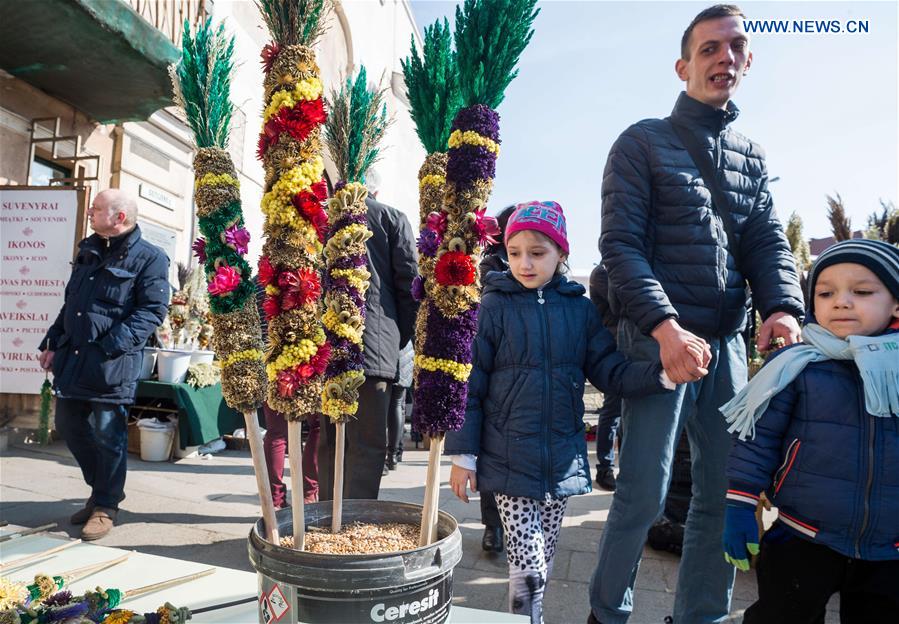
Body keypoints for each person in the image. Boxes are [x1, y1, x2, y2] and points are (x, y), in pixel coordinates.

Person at [588, 5, 806, 623]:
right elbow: (620, 248)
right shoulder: (640, 142)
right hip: (657, 343)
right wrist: (664, 328)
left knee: (723, 492)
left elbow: (767, 242)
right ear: (683, 65)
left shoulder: (752, 156)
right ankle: (608, 613)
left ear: (749, 61)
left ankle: (701, 616)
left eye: (735, 47)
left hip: (729, 345)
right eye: (709, 49)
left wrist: (783, 308)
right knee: (642, 492)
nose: (724, 59)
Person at [447, 201, 674, 624]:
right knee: (528, 559)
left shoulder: (580, 309)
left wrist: (660, 375)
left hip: (561, 458)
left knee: (545, 555)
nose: (524, 263)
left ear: (561, 254)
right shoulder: (493, 307)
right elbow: (471, 384)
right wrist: (463, 455)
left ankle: (529, 614)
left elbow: (610, 370)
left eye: (537, 252)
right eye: (514, 252)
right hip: (509, 456)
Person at [722, 239, 899, 623]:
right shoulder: (797, 365)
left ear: (896, 302)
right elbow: (757, 438)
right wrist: (739, 502)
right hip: (802, 535)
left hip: (890, 548)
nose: (841, 301)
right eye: (826, 292)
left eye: (863, 291)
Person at [38, 189, 170, 540]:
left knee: (110, 436)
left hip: (112, 365)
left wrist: (113, 345)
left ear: (119, 217)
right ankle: (102, 491)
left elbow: (152, 312)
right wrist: (51, 342)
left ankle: (105, 507)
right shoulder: (88, 249)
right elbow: (72, 304)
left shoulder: (150, 258)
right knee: (67, 423)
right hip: (74, 358)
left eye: (96, 210)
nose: (91, 214)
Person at [317, 173, 419, 500]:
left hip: (331, 346)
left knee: (333, 438)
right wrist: (399, 338)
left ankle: (326, 519)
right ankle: (353, 523)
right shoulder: (391, 217)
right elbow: (409, 287)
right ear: (373, 188)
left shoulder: (326, 218)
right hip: (376, 348)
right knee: (368, 443)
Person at [255, 277, 320, 507]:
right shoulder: (312, 275)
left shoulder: (260, 282)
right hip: (306, 361)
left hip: (271, 362)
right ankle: (309, 493)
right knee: (317, 426)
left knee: (276, 432)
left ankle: (276, 500)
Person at [477, 204, 517, 553]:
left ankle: (513, 522)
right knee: (492, 451)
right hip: (498, 366)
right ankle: (493, 526)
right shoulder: (492, 265)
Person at [587, 264, 620, 492]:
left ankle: (622, 467)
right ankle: (604, 467)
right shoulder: (603, 273)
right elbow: (622, 304)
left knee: (625, 415)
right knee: (613, 412)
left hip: (631, 349)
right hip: (615, 349)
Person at [384, 343, 413, 474]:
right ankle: (393, 455)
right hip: (405, 352)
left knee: (384, 405)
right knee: (397, 404)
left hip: (388, 350)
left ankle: (388, 454)